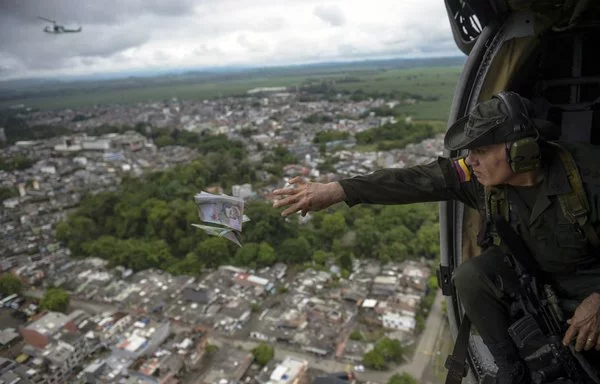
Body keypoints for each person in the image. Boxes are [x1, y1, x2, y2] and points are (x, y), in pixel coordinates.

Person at [272, 91, 600, 384]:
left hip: (590, 282)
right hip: (534, 278)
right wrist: (338, 190)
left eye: (481, 150)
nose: (470, 160)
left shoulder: (589, 178)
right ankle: (510, 369)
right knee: (470, 275)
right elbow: (417, 180)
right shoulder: (478, 177)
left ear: (522, 151)